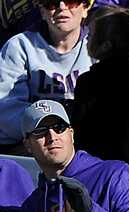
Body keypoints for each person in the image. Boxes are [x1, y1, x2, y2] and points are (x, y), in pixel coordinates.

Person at [0, 0, 92, 151]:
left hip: (85, 143)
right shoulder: (19, 46)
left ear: (85, 9)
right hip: (34, 144)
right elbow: (7, 111)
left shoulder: (99, 44)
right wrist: (52, 129)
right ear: (42, 12)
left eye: (71, 2)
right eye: (51, 3)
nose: (62, 8)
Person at [71, 6, 129, 163]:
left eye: (90, 35)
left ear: (106, 45)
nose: (86, 39)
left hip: (98, 164)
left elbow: (81, 134)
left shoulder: (89, 82)